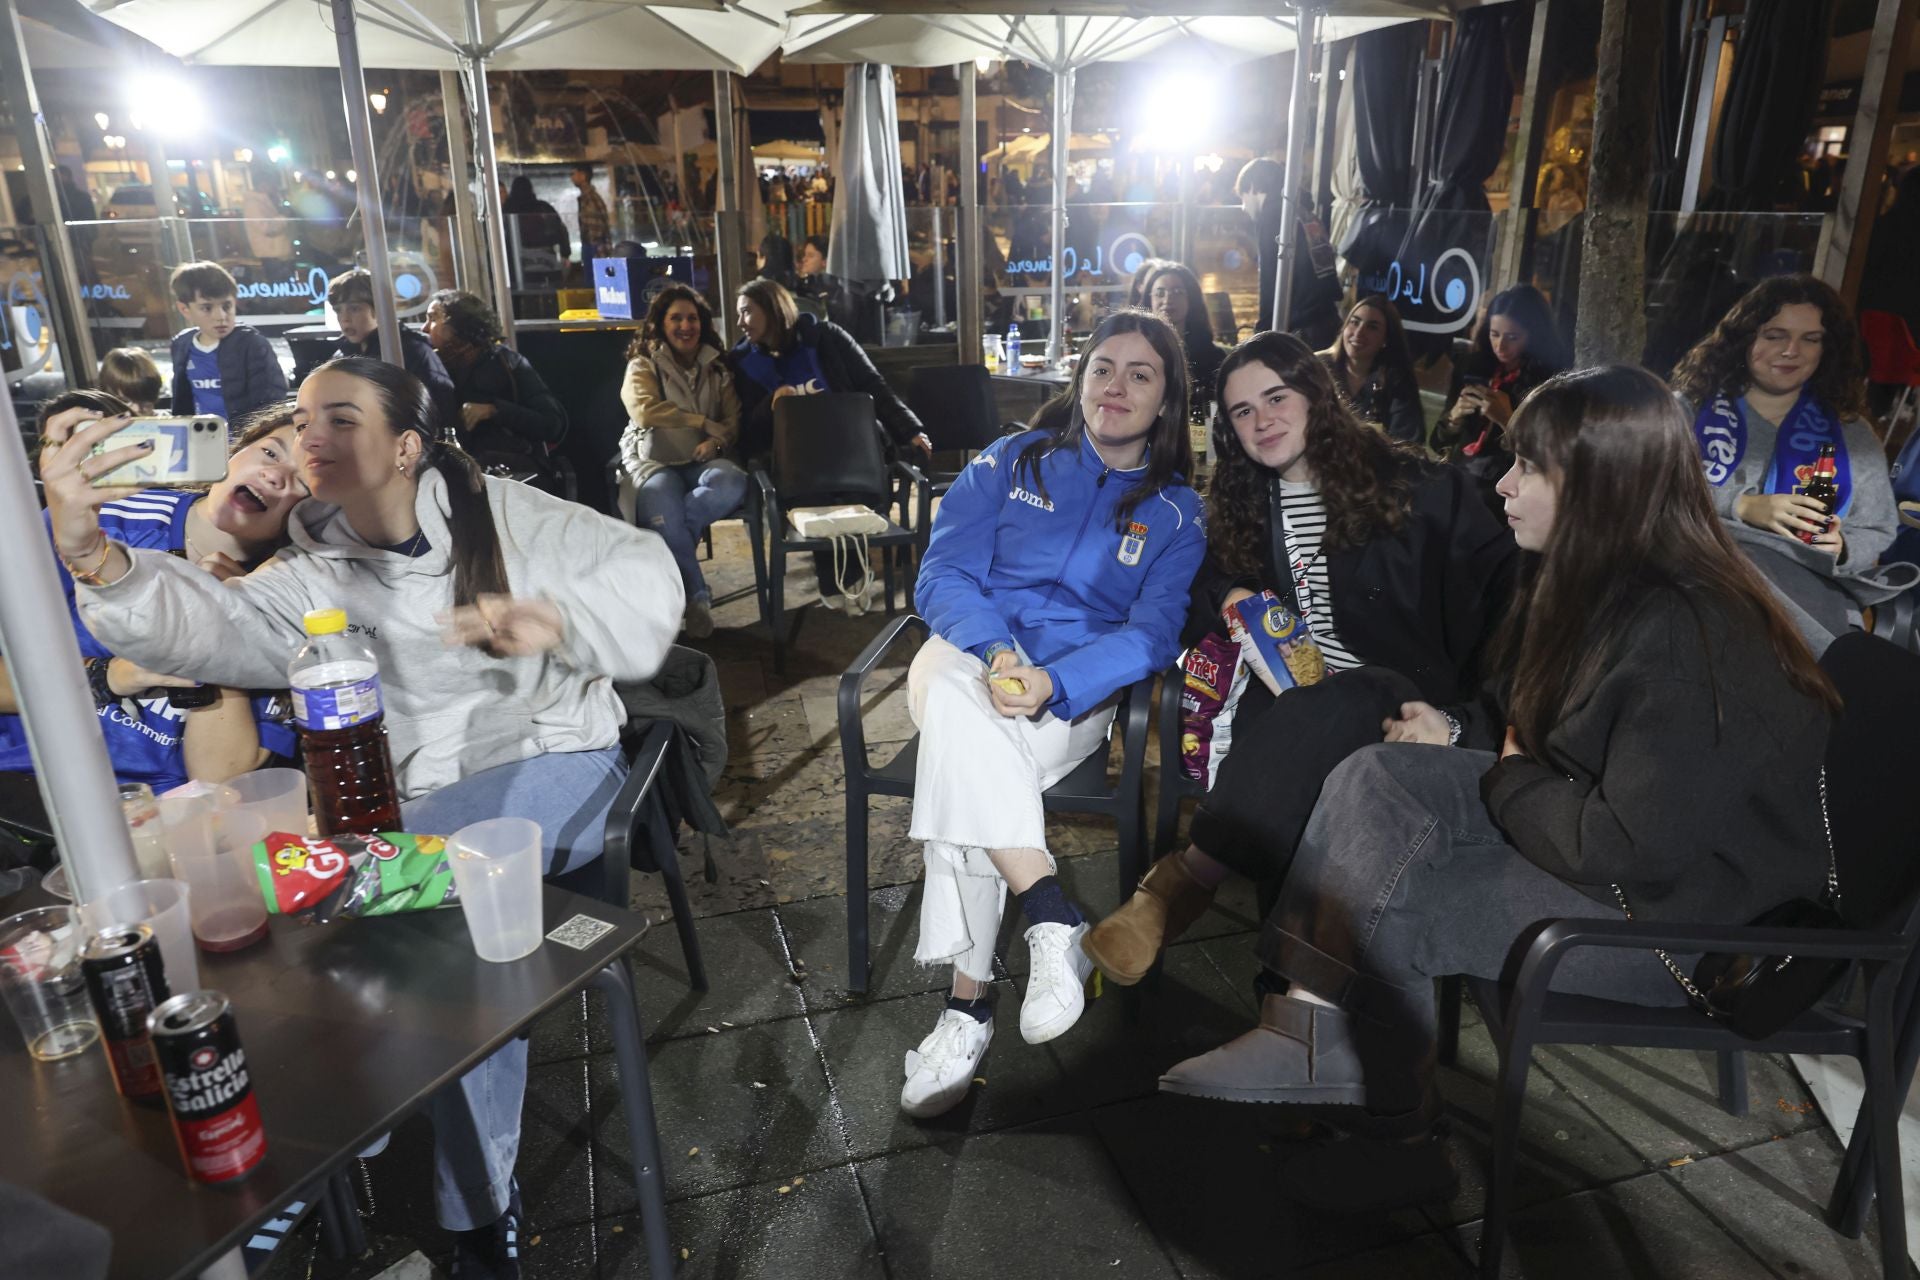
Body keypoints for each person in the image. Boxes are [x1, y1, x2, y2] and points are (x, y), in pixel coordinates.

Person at [38, 355, 681, 1280]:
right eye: (301, 421)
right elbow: (211, 628)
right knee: (421, 933)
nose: (309, 438)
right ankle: (386, 1163)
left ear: (407, 445)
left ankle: (393, 1172)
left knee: (387, 894)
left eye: (339, 419)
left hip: (555, 762)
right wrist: (94, 556)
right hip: (418, 816)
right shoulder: (313, 567)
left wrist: (561, 620)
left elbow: (650, 581)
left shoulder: (507, 514)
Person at [1156, 365, 1836, 1208]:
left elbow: (1617, 846)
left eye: (1529, 469)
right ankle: (1305, 1025)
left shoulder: (1687, 632)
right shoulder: (1596, 580)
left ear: (1601, 486)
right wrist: (1467, 738)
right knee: (1377, 775)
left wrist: (1507, 771)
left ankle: (1396, 1139)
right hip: (1606, 828)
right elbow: (1523, 720)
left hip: (1692, 922)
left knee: (1402, 896)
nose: (1503, 485)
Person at [1081, 331, 1515, 984]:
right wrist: (1228, 591)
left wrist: (1467, 720)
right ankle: (1291, 976)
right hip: (1297, 703)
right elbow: (1197, 585)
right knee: (1289, 726)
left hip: (1404, 702)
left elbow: (1504, 602)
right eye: (1243, 412)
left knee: (1343, 703)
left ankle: (1186, 883)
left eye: (1277, 398)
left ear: (1316, 396)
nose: (1264, 421)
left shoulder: (1417, 488)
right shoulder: (1245, 504)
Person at [898, 309, 1208, 1119]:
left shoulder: (1176, 513)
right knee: (965, 716)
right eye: (1104, 367)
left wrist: (1052, 681)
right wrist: (1000, 656)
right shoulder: (1011, 459)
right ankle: (1048, 914)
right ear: (1079, 378)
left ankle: (968, 1010)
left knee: (963, 765)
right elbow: (942, 578)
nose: (1116, 387)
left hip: (1068, 691)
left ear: (1166, 400)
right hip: (966, 658)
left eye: (1141, 375)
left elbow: (1152, 633)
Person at [0, 393, 306, 799]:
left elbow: (219, 779)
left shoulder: (293, 597)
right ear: (237, 449)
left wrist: (218, 625)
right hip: (22, 791)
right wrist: (106, 676)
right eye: (269, 451)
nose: (275, 474)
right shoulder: (106, 517)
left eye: (304, 480)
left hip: (161, 826)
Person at [1672, 274, 1916, 652]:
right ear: (1745, 338)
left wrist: (1843, 547)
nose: (1791, 350)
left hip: (1807, 600)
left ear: (1826, 350)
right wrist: (1740, 505)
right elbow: (1649, 497)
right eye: (1774, 334)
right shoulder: (1689, 410)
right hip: (1700, 586)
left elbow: (1878, 529)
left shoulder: (1852, 434)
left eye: (1811, 339)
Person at [618, 283, 746, 639]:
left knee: (733, 482)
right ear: (661, 323)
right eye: (676, 318)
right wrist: (701, 422)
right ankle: (698, 598)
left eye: (692, 318)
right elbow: (643, 411)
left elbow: (732, 423)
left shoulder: (717, 368)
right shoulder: (642, 365)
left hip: (704, 461)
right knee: (661, 504)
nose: (685, 326)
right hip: (654, 462)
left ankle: (670, 546)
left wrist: (716, 443)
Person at [1433, 284, 1569, 495]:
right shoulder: (1474, 367)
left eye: (1512, 337)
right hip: (1461, 479)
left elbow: (1547, 457)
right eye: (1494, 334)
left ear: (1534, 336)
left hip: (1509, 490)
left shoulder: (1548, 383)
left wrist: (1507, 420)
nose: (1500, 345)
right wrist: (1454, 417)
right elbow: (1437, 442)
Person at [423, 289, 568, 478]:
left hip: (510, 474)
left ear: (458, 325)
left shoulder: (507, 363)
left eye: (433, 319)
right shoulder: (430, 367)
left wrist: (494, 410)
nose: (425, 328)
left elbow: (552, 425)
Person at [303, 269, 460, 429]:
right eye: (338, 310)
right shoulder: (341, 357)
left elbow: (440, 411)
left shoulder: (411, 351)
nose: (345, 318)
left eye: (354, 308)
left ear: (378, 309)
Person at [1234, 158, 1341, 349]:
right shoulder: (1301, 211)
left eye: (1242, 197)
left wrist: (1262, 333)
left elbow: (1270, 279)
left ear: (1252, 187)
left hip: (1301, 325)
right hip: (1326, 317)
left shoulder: (1273, 216)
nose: (1243, 207)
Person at [167, 261, 289, 423]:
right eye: (206, 308)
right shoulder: (182, 344)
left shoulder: (251, 343)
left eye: (227, 306)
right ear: (185, 309)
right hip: (199, 440)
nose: (221, 316)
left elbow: (270, 402)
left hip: (243, 442)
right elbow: (181, 402)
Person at [1319, 295, 1426, 445]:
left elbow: (1408, 442)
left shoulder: (1397, 379)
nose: (1358, 333)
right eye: (1354, 322)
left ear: (1386, 340)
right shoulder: (1318, 366)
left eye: (1372, 327)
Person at [1141, 261, 1226, 403]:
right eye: (1160, 293)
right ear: (1149, 300)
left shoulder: (1213, 356)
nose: (1167, 300)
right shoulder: (1136, 352)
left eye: (1177, 292)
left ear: (1191, 299)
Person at [570, 163, 610, 275]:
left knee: (593, 281)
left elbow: (596, 228)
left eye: (573, 174)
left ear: (583, 176)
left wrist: (594, 247)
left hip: (593, 247)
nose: (571, 177)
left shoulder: (590, 199)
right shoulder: (589, 197)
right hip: (593, 246)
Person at [97, 347, 162, 414]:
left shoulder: (169, 421)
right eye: (125, 401)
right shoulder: (94, 423)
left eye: (144, 401)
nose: (137, 409)